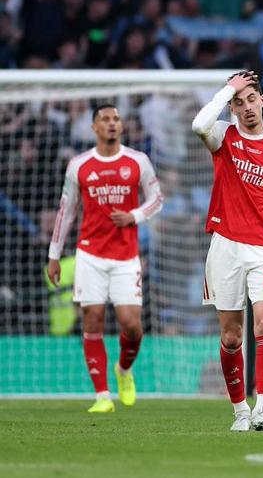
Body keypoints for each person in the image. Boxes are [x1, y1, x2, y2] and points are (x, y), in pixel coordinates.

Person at [191, 70, 263, 432]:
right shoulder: (223, 135)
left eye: (251, 99)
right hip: (225, 245)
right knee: (231, 336)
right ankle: (240, 410)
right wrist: (227, 90)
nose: (246, 108)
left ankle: (262, 410)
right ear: (232, 107)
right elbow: (198, 125)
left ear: (262, 100)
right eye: (238, 103)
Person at [47, 104, 163, 413]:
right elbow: (66, 211)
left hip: (126, 255)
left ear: (121, 126)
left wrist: (134, 216)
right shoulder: (79, 165)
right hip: (90, 254)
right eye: (105, 119)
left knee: (131, 325)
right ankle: (102, 396)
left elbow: (157, 199)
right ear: (94, 127)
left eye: (116, 119)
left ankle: (123, 370)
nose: (112, 123)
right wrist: (54, 255)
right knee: (93, 317)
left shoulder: (138, 161)